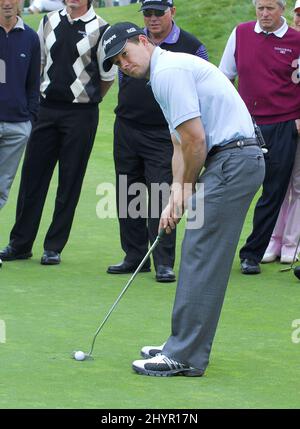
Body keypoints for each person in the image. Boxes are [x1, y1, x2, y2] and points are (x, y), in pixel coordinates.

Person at [101, 22, 265, 376]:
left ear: (144, 42)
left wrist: (185, 188)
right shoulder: (163, 76)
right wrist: (176, 195)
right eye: (116, 63)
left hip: (234, 160)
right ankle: (182, 344)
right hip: (232, 161)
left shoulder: (169, 71)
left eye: (125, 55)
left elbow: (196, 142)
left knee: (200, 254)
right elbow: (179, 143)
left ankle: (185, 354)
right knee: (197, 251)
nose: (123, 65)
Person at [0, 0, 116, 265]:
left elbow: (107, 78)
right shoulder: (49, 20)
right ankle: (20, 243)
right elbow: (39, 64)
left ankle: (54, 246)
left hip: (81, 114)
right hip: (47, 109)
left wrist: (86, 98)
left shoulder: (101, 28)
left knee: (69, 181)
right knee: (32, 178)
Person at [107, 0, 208, 283]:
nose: (152, 18)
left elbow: (200, 87)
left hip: (165, 132)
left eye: (158, 12)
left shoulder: (192, 45)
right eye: (147, 13)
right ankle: (134, 255)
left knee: (162, 193)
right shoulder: (131, 43)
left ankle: (163, 261)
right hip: (127, 125)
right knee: (128, 192)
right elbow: (123, 75)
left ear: (172, 12)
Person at [219, 0, 300, 275]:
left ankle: (251, 254)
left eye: (270, 8)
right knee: (236, 190)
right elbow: (224, 79)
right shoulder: (240, 33)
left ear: (282, 9)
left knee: (274, 192)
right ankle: (220, 249)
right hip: (245, 126)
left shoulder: (296, 40)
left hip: (283, 124)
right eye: (260, 8)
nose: (264, 14)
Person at [0, 0, 40, 267]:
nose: (6, 2)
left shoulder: (31, 37)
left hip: (17, 126)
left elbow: (33, 84)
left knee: (1, 189)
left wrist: (30, 119)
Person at [262, 0, 300, 264]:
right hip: (284, 123)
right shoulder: (290, 41)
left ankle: (291, 242)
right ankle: (273, 240)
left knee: (298, 185)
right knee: (278, 183)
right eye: (299, 14)